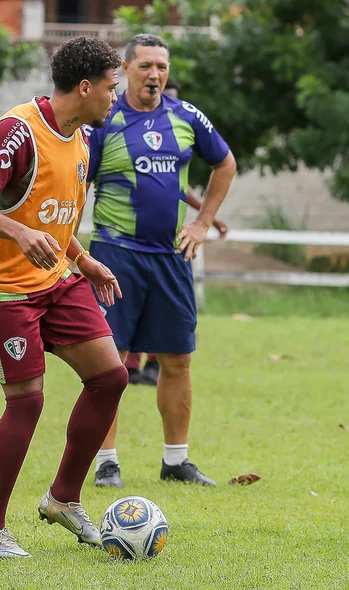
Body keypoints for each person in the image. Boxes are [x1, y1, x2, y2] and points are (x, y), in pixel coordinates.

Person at [0, 36, 128, 558]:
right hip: (1, 288)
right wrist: (17, 234)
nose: (114, 98)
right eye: (111, 88)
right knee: (27, 402)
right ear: (84, 86)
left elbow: (52, 215)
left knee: (110, 377)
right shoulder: (18, 130)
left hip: (55, 278)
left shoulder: (81, 137)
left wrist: (84, 260)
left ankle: (63, 499)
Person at [86, 33, 236, 489]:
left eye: (162, 67)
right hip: (116, 255)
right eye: (146, 65)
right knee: (110, 362)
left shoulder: (186, 116)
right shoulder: (104, 121)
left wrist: (202, 223)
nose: (155, 74)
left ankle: (176, 461)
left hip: (172, 258)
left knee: (177, 359)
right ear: (125, 70)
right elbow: (77, 184)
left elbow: (225, 164)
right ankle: (106, 461)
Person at [119, 79, 230, 390]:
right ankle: (129, 364)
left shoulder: (180, 124)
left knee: (166, 309)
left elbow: (179, 187)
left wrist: (207, 219)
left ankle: (154, 364)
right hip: (127, 242)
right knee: (130, 305)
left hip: (170, 244)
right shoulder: (123, 126)